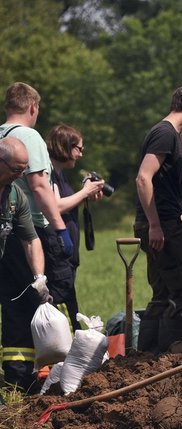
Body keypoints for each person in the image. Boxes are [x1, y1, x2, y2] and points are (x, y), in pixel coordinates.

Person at [133, 83, 182, 354]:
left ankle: (147, 354)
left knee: (162, 292)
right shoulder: (166, 134)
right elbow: (143, 178)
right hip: (161, 225)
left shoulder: (163, 133)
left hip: (165, 222)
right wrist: (155, 224)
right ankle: (170, 355)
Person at [1, 83, 74, 327]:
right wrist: (60, 229)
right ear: (33, 107)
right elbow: (40, 186)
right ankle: (53, 358)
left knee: (13, 301)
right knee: (50, 295)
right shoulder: (30, 137)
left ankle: (18, 364)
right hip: (31, 229)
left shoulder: (1, 135)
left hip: (5, 231)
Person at [0, 138, 48, 392]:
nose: (20, 175)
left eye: (23, 169)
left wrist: (39, 276)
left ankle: (13, 386)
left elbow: (30, 239)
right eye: (16, 169)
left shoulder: (15, 195)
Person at [47, 123, 105, 325]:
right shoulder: (49, 171)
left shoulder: (61, 174)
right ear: (65, 146)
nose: (80, 154)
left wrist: (85, 194)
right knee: (63, 308)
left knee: (69, 308)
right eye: (79, 148)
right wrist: (85, 192)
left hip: (66, 253)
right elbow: (55, 206)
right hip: (57, 253)